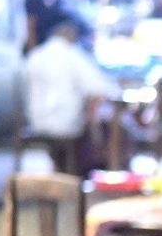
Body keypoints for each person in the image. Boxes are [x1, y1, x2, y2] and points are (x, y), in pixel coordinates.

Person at [21, 19, 118, 174]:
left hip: (36, 123)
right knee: (102, 129)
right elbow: (102, 88)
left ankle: (62, 169)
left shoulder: (35, 56)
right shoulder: (73, 56)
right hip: (66, 126)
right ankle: (82, 174)